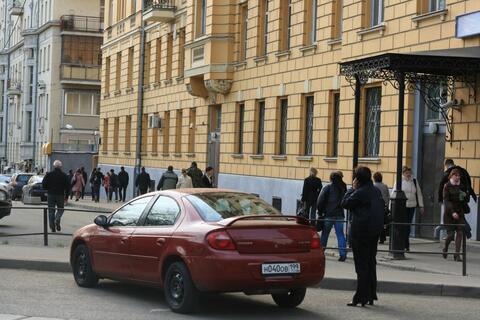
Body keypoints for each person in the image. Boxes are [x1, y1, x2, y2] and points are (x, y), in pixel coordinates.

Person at [341, 166, 384, 307]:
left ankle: (360, 297)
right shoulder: (376, 191)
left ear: (358, 179)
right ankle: (371, 295)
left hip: (361, 233)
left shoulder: (359, 192)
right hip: (374, 232)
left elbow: (345, 203)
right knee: (371, 263)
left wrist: (351, 189)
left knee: (361, 266)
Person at [317, 171, 347, 261]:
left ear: (331, 178)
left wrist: (320, 211)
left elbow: (320, 201)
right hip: (340, 214)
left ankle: (321, 252)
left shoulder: (328, 188)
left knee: (325, 234)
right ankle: (343, 254)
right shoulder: (343, 188)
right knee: (340, 234)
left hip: (328, 214)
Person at [443, 169, 468, 261]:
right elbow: (446, 201)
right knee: (450, 235)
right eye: (456, 175)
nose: (458, 177)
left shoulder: (461, 186)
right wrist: (453, 212)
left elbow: (465, 199)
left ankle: (457, 255)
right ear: (451, 176)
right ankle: (445, 248)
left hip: (460, 213)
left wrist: (465, 196)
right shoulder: (447, 186)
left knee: (460, 233)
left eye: (459, 176)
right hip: (449, 214)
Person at [400, 166, 424, 252]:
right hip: (403, 206)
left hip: (412, 206)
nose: (408, 174)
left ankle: (406, 245)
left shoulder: (414, 181)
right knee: (404, 225)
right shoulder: (400, 181)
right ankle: (404, 245)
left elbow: (419, 193)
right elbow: (394, 193)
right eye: (406, 172)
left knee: (408, 225)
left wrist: (421, 206)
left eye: (409, 172)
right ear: (403, 173)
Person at [42, 160, 70, 232]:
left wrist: (48, 189)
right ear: (61, 167)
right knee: (61, 209)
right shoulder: (64, 175)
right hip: (60, 195)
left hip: (51, 195)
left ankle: (52, 227)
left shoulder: (49, 174)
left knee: (51, 211)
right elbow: (68, 187)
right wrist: (66, 197)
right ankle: (57, 220)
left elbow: (43, 185)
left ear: (54, 166)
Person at [373, 172, 390, 244]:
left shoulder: (373, 186)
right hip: (383, 207)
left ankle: (375, 237)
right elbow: (388, 196)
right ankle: (382, 238)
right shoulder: (385, 186)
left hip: (375, 207)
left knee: (374, 223)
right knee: (382, 223)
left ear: (374, 178)